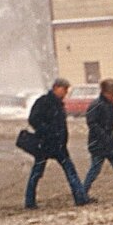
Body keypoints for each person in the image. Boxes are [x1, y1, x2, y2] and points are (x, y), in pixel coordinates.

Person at [25, 77, 90, 209]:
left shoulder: (59, 104)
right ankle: (29, 201)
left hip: (59, 145)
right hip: (45, 144)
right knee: (37, 173)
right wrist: (47, 131)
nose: (66, 92)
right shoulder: (43, 101)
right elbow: (33, 119)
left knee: (70, 171)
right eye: (64, 89)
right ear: (56, 87)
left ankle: (80, 198)